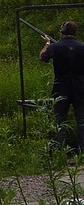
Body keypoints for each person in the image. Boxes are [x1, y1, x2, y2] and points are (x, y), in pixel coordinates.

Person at [40, 21, 84, 153]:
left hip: (60, 87)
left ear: (61, 32)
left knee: (60, 120)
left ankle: (61, 151)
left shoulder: (55, 47)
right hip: (81, 87)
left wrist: (48, 43)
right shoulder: (82, 47)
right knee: (82, 120)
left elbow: (42, 57)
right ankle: (82, 152)